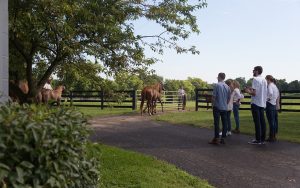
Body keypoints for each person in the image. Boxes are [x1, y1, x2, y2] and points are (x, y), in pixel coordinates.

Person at [245, 66, 268, 145]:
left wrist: (248, 91)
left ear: (257, 71)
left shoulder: (255, 79)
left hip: (255, 103)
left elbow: (254, 93)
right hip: (262, 103)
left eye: (254, 70)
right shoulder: (264, 80)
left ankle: (257, 139)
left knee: (257, 122)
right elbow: (259, 91)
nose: (253, 71)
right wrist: (251, 88)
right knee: (262, 122)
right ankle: (262, 139)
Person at [209, 73, 231, 145]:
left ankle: (216, 138)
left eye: (217, 77)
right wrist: (225, 104)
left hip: (217, 106)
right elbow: (229, 98)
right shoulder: (227, 87)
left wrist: (212, 105)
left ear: (219, 77)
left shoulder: (217, 85)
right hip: (224, 107)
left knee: (217, 123)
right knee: (225, 123)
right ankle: (223, 138)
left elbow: (213, 97)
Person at [265, 75, 280, 142]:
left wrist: (267, 99)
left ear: (268, 79)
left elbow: (270, 93)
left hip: (269, 104)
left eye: (266, 79)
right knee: (274, 121)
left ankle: (271, 137)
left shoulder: (270, 85)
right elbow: (277, 95)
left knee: (271, 121)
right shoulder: (275, 86)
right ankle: (274, 135)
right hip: (273, 104)